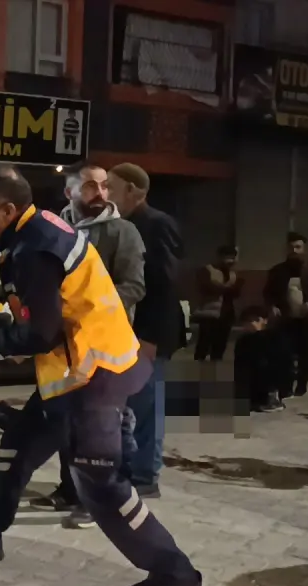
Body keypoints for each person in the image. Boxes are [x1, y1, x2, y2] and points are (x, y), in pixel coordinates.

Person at [0, 163, 202, 586]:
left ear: (7, 209)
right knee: (14, 452)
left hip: (91, 377)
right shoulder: (35, 229)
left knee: (98, 481)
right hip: (73, 373)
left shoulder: (35, 247)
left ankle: (176, 573)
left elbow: (42, 332)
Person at [32, 161, 145, 528]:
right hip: (64, 348)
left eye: (104, 186)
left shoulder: (122, 232)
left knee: (105, 428)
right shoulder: (56, 229)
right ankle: (71, 490)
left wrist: (86, 308)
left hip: (105, 349)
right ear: (69, 192)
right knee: (68, 424)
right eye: (90, 186)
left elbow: (134, 287)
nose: (100, 193)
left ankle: (107, 500)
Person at [107, 163, 183, 500]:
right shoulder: (122, 227)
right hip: (126, 332)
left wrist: (150, 337)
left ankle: (145, 477)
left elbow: (164, 284)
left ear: (133, 190)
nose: (106, 195)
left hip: (148, 334)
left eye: (111, 188)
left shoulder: (156, 224)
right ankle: (129, 470)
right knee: (129, 404)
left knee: (145, 405)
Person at [263, 232, 308, 397]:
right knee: (284, 354)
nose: (294, 250)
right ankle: (285, 387)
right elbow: (268, 292)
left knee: (306, 355)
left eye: (298, 247)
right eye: (291, 247)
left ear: (304, 248)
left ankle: (302, 384)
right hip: (286, 320)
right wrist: (272, 306)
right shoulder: (277, 271)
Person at [233, 305, 288, 413]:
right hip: (250, 379)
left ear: (265, 321)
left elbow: (281, 362)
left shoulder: (274, 338)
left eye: (256, 320)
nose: (252, 323)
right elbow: (239, 365)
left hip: (269, 378)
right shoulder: (243, 341)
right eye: (248, 321)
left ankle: (271, 398)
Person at [193, 245, 241, 362]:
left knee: (220, 346)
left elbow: (236, 292)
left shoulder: (233, 274)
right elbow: (207, 288)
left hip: (226, 314)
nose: (230, 261)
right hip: (209, 313)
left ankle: (215, 368)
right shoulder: (207, 270)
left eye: (232, 258)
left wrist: (225, 288)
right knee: (204, 345)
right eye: (227, 258)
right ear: (220, 257)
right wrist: (227, 288)